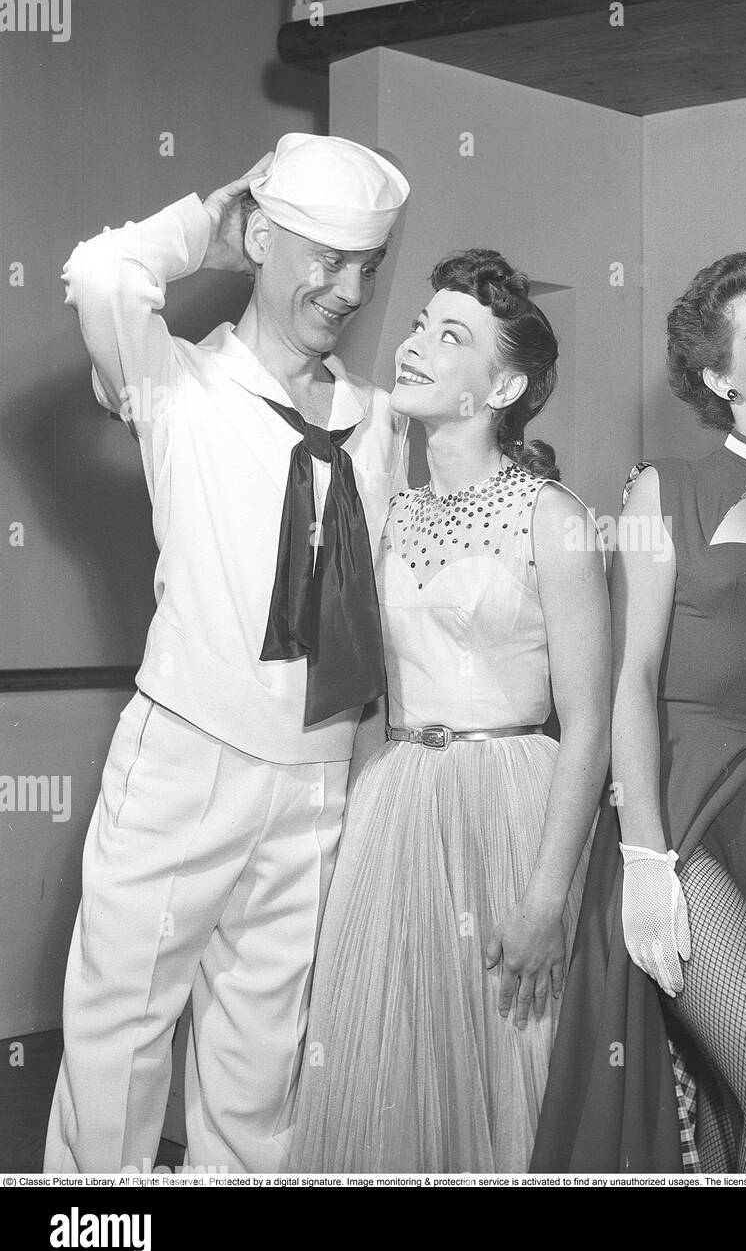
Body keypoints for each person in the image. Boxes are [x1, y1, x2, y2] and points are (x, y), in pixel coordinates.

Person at [45, 134, 410, 1173]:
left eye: (366, 266)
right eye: (323, 259)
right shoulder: (177, 385)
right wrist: (210, 215)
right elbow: (101, 272)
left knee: (264, 1066)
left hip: (318, 776)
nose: (347, 289)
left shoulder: (377, 426)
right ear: (258, 238)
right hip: (186, 756)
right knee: (118, 1041)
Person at [533, 251, 746, 1173]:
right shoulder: (664, 489)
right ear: (720, 377)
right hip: (683, 802)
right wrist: (644, 855)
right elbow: (629, 677)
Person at [289, 250, 610, 1173]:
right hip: (396, 803)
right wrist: (338, 845)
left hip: (513, 806)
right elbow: (367, 697)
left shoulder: (554, 517)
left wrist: (548, 894)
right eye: (423, 324)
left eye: (452, 336)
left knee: (511, 1064)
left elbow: (588, 723)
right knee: (390, 1061)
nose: (417, 343)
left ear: (503, 384)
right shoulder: (387, 513)